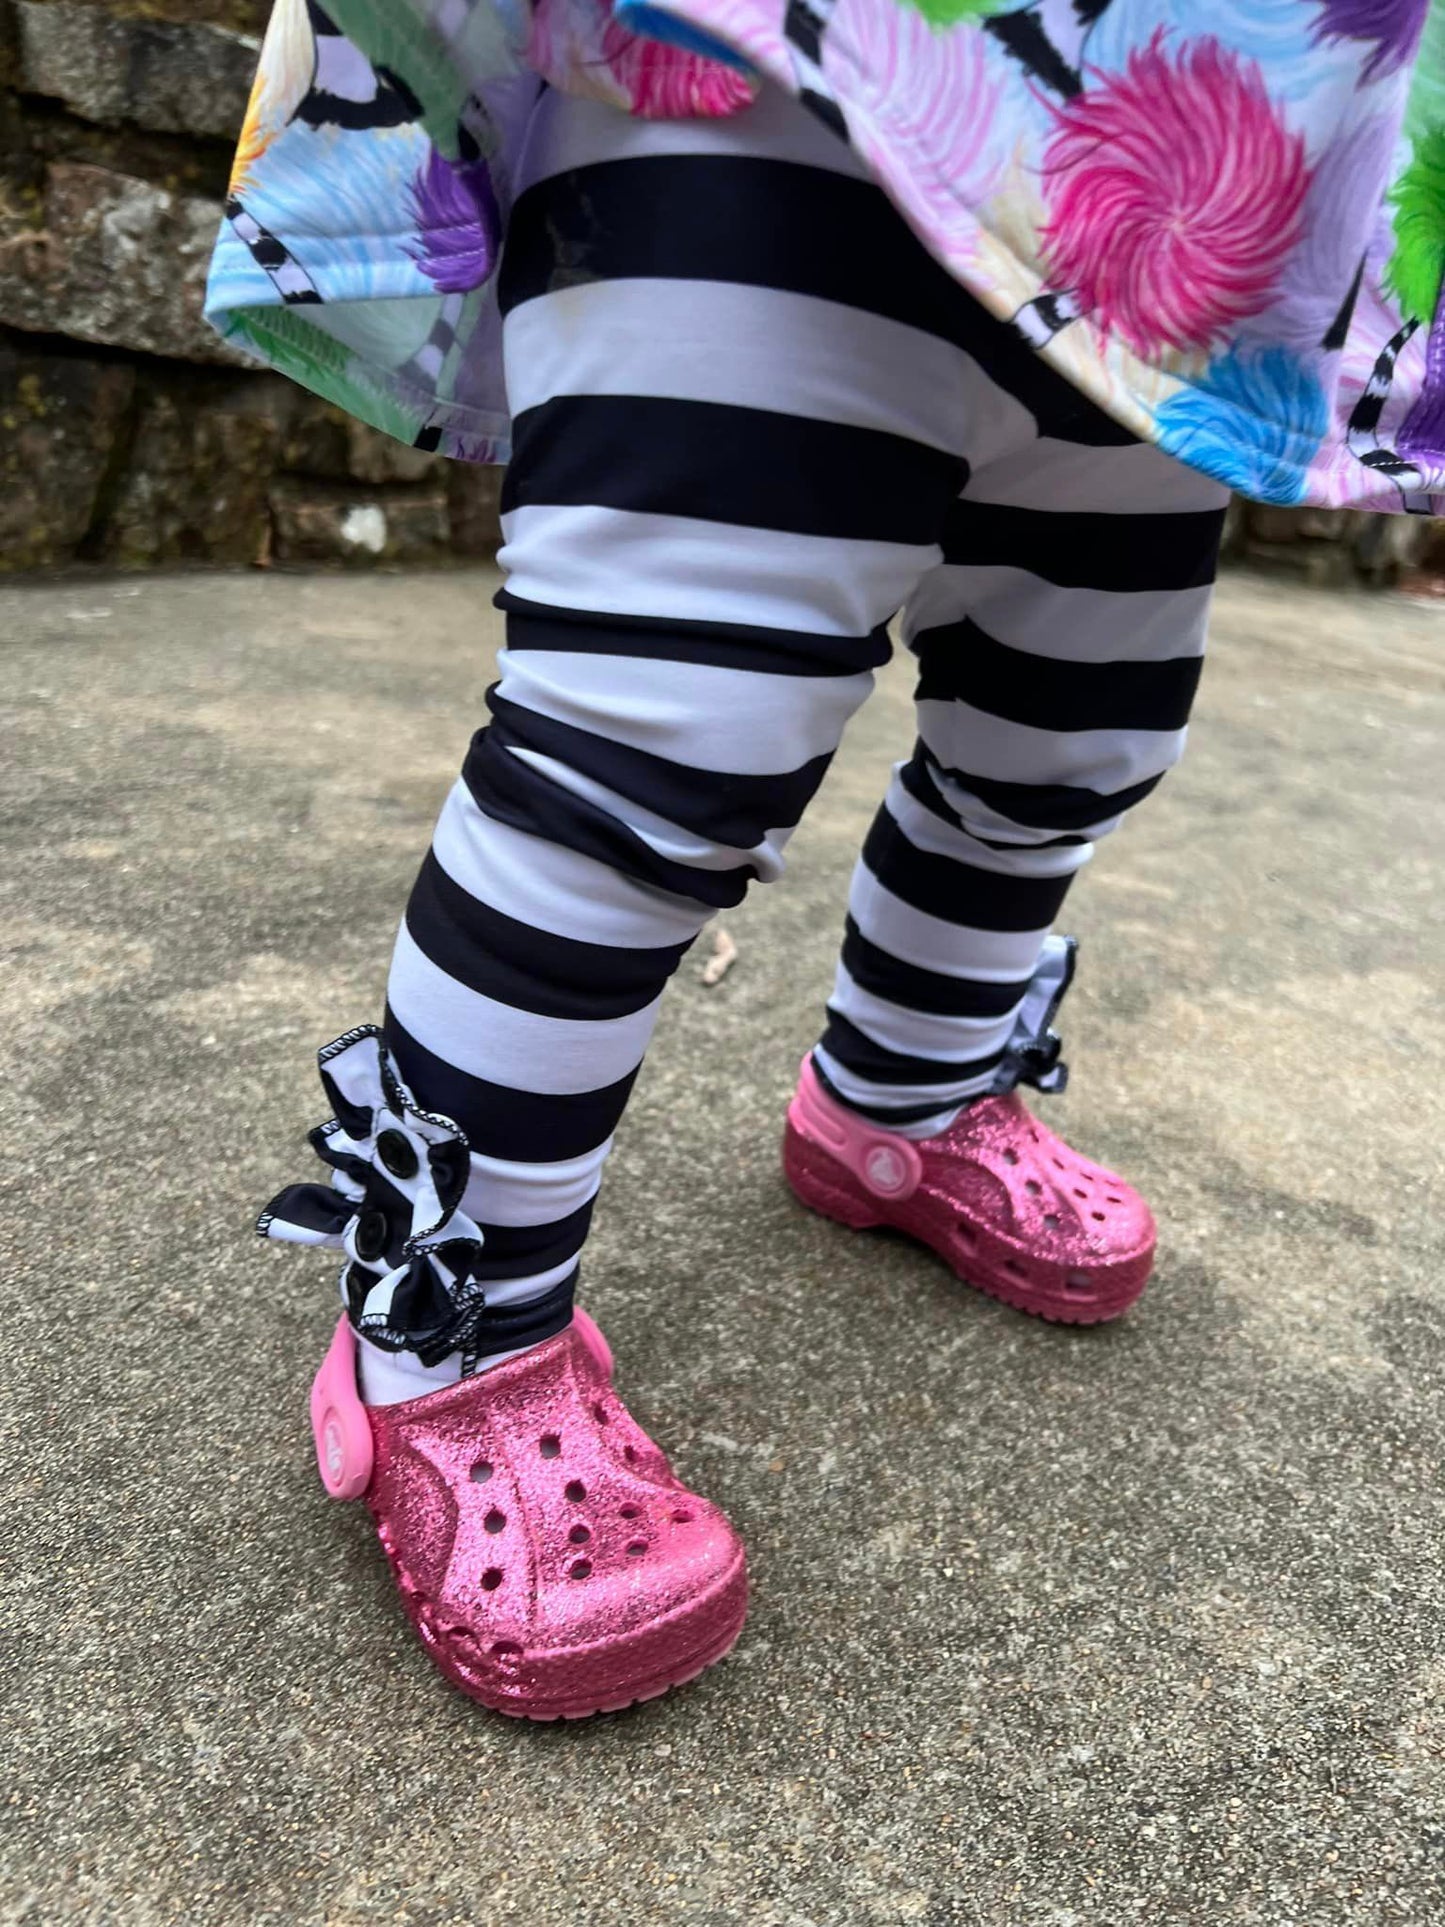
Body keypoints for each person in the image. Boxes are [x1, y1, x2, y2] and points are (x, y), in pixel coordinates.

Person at [206, 0, 1445, 1719]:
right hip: (766, 78)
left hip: (1206, 152)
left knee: (1071, 725)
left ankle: (903, 1104)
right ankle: (451, 1334)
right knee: (651, 742)